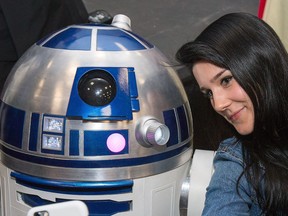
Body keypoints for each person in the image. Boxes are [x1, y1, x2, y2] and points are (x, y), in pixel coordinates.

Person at [176, 12, 288, 215]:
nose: (218, 104)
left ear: (262, 66)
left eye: (226, 80)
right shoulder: (236, 162)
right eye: (208, 93)